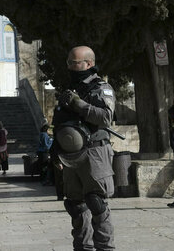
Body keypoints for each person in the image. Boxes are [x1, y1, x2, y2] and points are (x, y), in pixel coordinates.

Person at [51, 45, 116, 250]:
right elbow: (60, 123)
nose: (70, 66)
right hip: (70, 156)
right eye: (68, 62)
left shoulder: (100, 87)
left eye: (74, 62)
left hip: (94, 152)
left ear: (89, 64)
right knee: (76, 205)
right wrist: (54, 150)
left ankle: (105, 247)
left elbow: (106, 117)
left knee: (96, 203)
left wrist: (79, 104)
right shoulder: (70, 90)